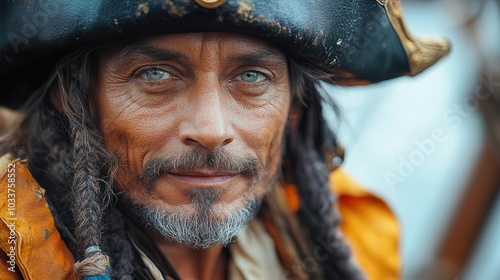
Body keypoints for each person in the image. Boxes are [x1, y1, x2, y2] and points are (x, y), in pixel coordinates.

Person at [0, 0, 450, 279]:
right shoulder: (14, 253)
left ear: (294, 109)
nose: (212, 129)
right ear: (69, 98)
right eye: (154, 74)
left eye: (252, 76)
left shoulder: (352, 234)